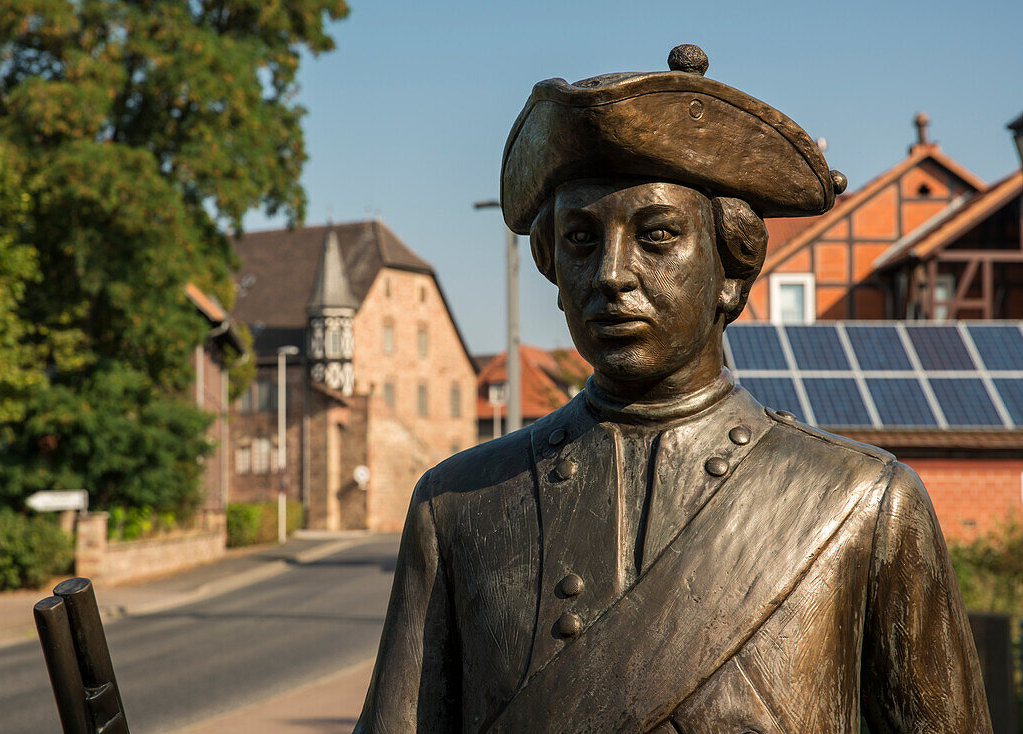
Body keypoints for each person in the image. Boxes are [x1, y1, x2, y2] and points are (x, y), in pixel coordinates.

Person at [355, 45, 991, 733]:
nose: (611, 274)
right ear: (552, 270)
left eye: (657, 236)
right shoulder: (457, 508)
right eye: (579, 239)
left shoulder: (864, 505)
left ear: (730, 269)